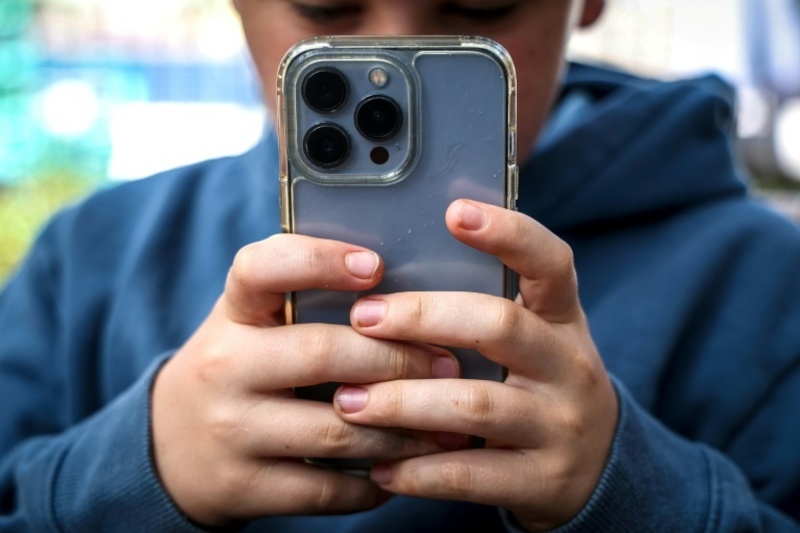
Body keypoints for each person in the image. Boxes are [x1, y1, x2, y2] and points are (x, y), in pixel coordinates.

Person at [1, 0, 800, 530]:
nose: (393, 45)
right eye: (325, 5)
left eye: (480, 5)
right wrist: (136, 466)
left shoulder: (762, 283)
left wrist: (631, 489)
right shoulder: (89, 259)